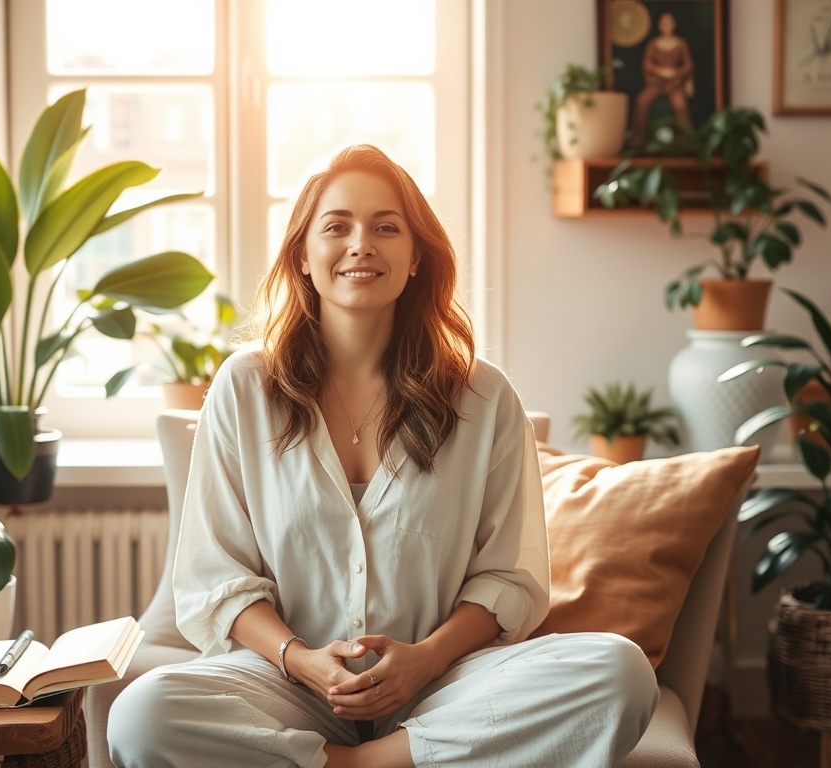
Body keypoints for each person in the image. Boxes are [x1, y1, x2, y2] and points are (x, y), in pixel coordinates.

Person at [108, 144, 658, 767]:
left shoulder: (484, 397)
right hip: (290, 687)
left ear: (417, 256)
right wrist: (302, 660)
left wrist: (425, 659)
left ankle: (371, 762)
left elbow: (509, 580)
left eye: (386, 228)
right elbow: (217, 577)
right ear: (303, 255)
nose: (361, 245)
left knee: (621, 672)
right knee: (142, 713)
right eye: (337, 226)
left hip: (443, 686)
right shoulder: (244, 388)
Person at [630, 12, 695, 147]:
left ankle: (686, 140)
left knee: (681, 106)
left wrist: (676, 73)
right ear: (660, 25)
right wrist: (660, 71)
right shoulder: (653, 44)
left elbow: (688, 65)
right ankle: (638, 137)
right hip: (657, 83)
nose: (667, 26)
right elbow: (647, 64)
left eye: (669, 23)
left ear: (674, 25)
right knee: (641, 101)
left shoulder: (681, 44)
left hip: (675, 83)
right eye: (664, 23)